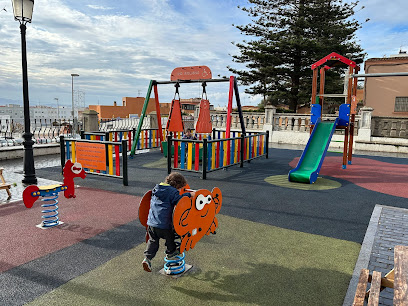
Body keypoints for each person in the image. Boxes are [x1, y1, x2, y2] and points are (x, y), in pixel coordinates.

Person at [142, 172, 194, 272]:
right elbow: (180, 201)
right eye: (180, 188)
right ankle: (171, 253)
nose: (179, 190)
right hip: (164, 225)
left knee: (153, 241)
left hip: (152, 223)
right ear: (177, 185)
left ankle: (147, 258)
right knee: (170, 239)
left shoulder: (156, 189)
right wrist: (189, 194)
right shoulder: (172, 192)